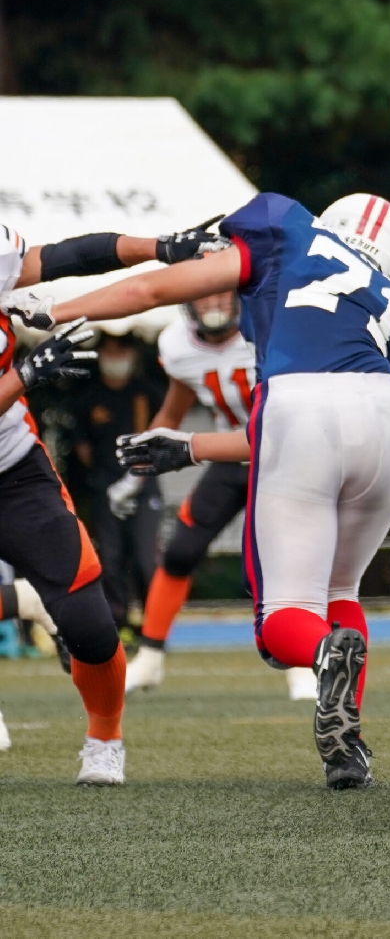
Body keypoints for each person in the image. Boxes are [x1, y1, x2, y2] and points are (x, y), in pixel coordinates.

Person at [31, 193, 390, 790]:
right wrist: (193, 447)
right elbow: (353, 398)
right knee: (341, 590)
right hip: (388, 424)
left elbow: (151, 292)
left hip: (295, 414)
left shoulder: (286, 230)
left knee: (285, 623)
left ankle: (322, 658)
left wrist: (55, 311)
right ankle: (346, 749)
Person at [0, 214, 226, 784]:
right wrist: (24, 374)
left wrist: (161, 247)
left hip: (11, 470)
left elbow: (70, 256)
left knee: (91, 624)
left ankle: (104, 737)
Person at [123, 290, 261, 693]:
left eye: (222, 292)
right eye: (204, 296)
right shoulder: (177, 345)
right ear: (188, 304)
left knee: (273, 563)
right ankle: (149, 658)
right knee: (180, 551)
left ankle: (301, 665)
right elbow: (173, 411)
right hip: (225, 455)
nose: (215, 304)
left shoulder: (265, 329)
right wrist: (135, 473)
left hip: (277, 459)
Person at [71, 333, 165, 630]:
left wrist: (136, 477)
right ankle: (118, 622)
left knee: (145, 557)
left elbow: (164, 437)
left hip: (143, 484)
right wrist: (107, 480)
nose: (115, 357)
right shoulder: (89, 397)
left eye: (121, 349)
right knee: (110, 559)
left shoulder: (148, 392)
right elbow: (82, 448)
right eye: (109, 349)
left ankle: (154, 626)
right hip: (105, 487)